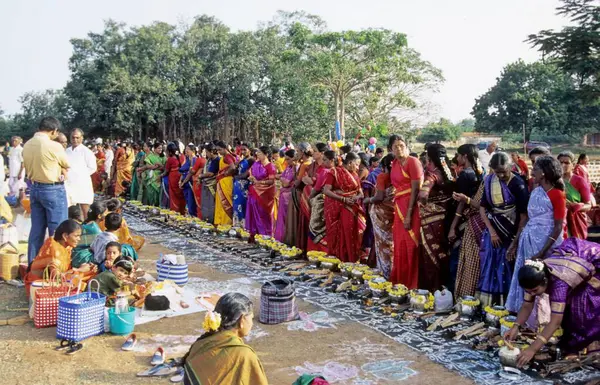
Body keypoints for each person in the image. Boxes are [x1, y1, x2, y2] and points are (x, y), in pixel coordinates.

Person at [504, 240, 600, 367]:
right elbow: (527, 305)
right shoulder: (534, 279)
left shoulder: (559, 284)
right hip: (575, 261)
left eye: (534, 291)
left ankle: (589, 348)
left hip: (594, 268)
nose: (532, 294)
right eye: (528, 291)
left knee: (581, 311)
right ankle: (572, 346)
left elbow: (555, 322)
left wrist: (532, 349)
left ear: (545, 281)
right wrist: (515, 327)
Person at [506, 156, 566, 319]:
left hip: (546, 243)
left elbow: (558, 227)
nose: (532, 171)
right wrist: (515, 242)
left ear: (544, 173)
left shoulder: (557, 194)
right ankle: (525, 317)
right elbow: (526, 219)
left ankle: (541, 320)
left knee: (541, 279)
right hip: (529, 240)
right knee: (527, 276)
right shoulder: (535, 190)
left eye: (535, 169)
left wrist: (542, 252)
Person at [478, 152, 529, 307]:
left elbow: (524, 216)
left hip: (511, 234)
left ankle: (507, 306)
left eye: (503, 171)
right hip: (492, 233)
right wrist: (492, 232)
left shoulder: (518, 184)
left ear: (510, 167)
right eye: (496, 171)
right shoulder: (489, 181)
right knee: (489, 267)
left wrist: (514, 242)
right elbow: (482, 208)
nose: (500, 175)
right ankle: (487, 307)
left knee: (506, 269)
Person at [182, 293, 268, 385]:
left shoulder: (202, 342)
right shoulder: (244, 355)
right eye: (251, 318)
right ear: (242, 320)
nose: (252, 323)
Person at [23, 117, 70, 264]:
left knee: (36, 230)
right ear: (53, 131)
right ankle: (57, 266)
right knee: (58, 231)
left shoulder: (27, 144)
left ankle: (33, 265)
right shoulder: (54, 146)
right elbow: (66, 164)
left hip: (35, 188)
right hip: (52, 189)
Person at [417, 144, 455, 291]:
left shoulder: (432, 174)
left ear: (429, 158)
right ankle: (444, 289)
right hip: (447, 219)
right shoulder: (450, 172)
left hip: (431, 222)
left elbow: (423, 194)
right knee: (443, 254)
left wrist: (423, 205)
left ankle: (431, 289)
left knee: (429, 256)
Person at [449, 144, 485, 298]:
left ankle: (457, 294)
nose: (457, 158)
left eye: (458, 155)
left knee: (458, 259)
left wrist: (453, 226)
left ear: (464, 156)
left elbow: (461, 202)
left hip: (465, 220)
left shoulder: (465, 175)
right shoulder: (481, 173)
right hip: (478, 220)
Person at [24, 219, 97, 294]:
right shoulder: (54, 250)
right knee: (77, 278)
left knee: (90, 272)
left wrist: (85, 267)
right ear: (65, 236)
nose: (79, 239)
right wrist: (79, 270)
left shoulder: (66, 246)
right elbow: (57, 278)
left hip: (54, 278)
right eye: (76, 236)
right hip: (39, 284)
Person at [389, 135, 422, 288]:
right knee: (399, 244)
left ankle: (412, 283)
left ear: (407, 146)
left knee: (411, 244)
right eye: (395, 146)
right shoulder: (394, 163)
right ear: (391, 150)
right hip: (398, 207)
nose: (399, 149)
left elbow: (416, 190)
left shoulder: (413, 162)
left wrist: (409, 214)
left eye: (401, 145)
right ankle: (401, 280)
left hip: (412, 208)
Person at [323, 152, 365, 263]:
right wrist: (343, 199)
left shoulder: (355, 175)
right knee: (338, 233)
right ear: (350, 163)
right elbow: (326, 190)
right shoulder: (335, 172)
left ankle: (350, 260)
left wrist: (355, 198)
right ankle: (337, 259)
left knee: (350, 233)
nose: (358, 167)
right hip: (337, 206)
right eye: (356, 164)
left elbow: (361, 193)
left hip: (351, 207)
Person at [363, 154, 395, 279]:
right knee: (392, 244)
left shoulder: (383, 176)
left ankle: (385, 273)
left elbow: (379, 197)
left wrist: (368, 200)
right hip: (393, 213)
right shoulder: (400, 178)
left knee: (382, 244)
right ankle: (393, 271)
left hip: (381, 214)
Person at [284, 143, 313, 250]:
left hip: (299, 193)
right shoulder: (309, 163)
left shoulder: (305, 165)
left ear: (303, 152)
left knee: (295, 219)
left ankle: (295, 241)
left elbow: (297, 182)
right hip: (305, 193)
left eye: (298, 151)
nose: (297, 154)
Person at [558, 151, 592, 239]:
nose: (563, 165)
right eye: (560, 162)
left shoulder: (579, 181)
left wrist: (576, 206)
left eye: (566, 163)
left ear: (573, 165)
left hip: (576, 220)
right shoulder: (553, 181)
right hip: (559, 220)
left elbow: (588, 205)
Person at [307, 150, 336, 253]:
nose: (322, 162)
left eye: (325, 160)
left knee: (316, 227)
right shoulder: (339, 171)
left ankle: (317, 251)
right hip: (335, 204)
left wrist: (310, 198)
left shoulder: (325, 171)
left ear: (332, 160)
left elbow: (317, 188)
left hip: (321, 203)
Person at [303, 143, 329, 252]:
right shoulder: (315, 167)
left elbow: (318, 184)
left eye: (315, 150)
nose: (312, 152)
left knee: (318, 228)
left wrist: (313, 182)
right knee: (312, 226)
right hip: (312, 201)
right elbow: (306, 179)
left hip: (321, 202)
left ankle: (321, 252)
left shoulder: (325, 168)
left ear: (322, 153)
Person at [246, 146, 277, 237]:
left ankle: (264, 236)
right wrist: (252, 178)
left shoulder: (270, 166)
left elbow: (271, 181)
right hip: (253, 192)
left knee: (262, 215)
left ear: (266, 154)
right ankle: (253, 235)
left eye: (259, 153)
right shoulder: (256, 164)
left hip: (264, 195)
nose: (257, 154)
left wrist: (258, 182)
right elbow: (250, 173)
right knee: (253, 214)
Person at [65, 129, 97, 215]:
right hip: (69, 184)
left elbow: (93, 168)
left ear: (82, 138)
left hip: (82, 184)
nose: (75, 140)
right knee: (71, 211)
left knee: (85, 210)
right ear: (70, 138)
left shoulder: (86, 152)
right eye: (73, 137)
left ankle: (86, 228)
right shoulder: (66, 151)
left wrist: (80, 175)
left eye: (77, 138)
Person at [71, 201, 108, 268]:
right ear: (99, 216)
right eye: (105, 213)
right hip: (80, 258)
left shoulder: (86, 223)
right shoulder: (95, 230)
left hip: (74, 254)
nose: (107, 215)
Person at [274, 149, 296, 242]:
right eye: (286, 159)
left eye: (288, 159)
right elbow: (279, 177)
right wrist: (283, 179)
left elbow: (286, 183)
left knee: (286, 218)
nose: (286, 162)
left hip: (289, 195)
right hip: (284, 194)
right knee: (281, 218)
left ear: (293, 158)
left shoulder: (295, 168)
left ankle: (286, 238)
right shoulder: (288, 168)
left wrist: (282, 179)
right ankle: (280, 237)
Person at [214, 141, 236, 225]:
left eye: (220, 150)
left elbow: (233, 167)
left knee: (225, 202)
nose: (218, 152)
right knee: (221, 203)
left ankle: (225, 222)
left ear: (224, 148)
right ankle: (221, 222)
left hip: (226, 182)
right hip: (223, 182)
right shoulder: (226, 156)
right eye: (217, 150)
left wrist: (224, 174)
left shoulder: (227, 157)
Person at [140, 142, 165, 207]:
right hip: (151, 177)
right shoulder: (150, 157)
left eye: (161, 148)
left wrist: (159, 165)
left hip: (160, 178)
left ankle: (157, 207)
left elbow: (165, 168)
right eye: (158, 148)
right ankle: (151, 206)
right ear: (155, 149)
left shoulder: (163, 157)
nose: (160, 150)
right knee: (151, 194)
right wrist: (157, 167)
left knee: (159, 194)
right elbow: (148, 166)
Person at [200, 144, 220, 223]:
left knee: (212, 203)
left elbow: (211, 173)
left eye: (207, 152)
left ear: (211, 152)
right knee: (206, 203)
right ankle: (206, 218)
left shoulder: (217, 160)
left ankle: (211, 220)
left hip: (212, 184)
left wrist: (201, 176)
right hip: (206, 183)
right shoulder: (210, 160)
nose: (206, 154)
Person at [233, 144, 252, 227]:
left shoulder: (251, 160)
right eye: (241, 150)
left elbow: (247, 173)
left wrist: (237, 177)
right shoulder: (242, 159)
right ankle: (237, 224)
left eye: (245, 149)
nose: (243, 151)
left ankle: (243, 225)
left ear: (249, 150)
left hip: (244, 186)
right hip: (237, 186)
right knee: (236, 204)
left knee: (242, 204)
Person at [179, 144, 198, 217]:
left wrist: (183, 182)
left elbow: (191, 173)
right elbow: (182, 172)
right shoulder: (187, 159)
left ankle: (193, 216)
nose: (186, 151)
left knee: (191, 202)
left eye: (188, 149)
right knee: (187, 201)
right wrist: (180, 181)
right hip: (184, 184)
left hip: (190, 183)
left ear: (193, 151)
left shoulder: (195, 160)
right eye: (186, 149)